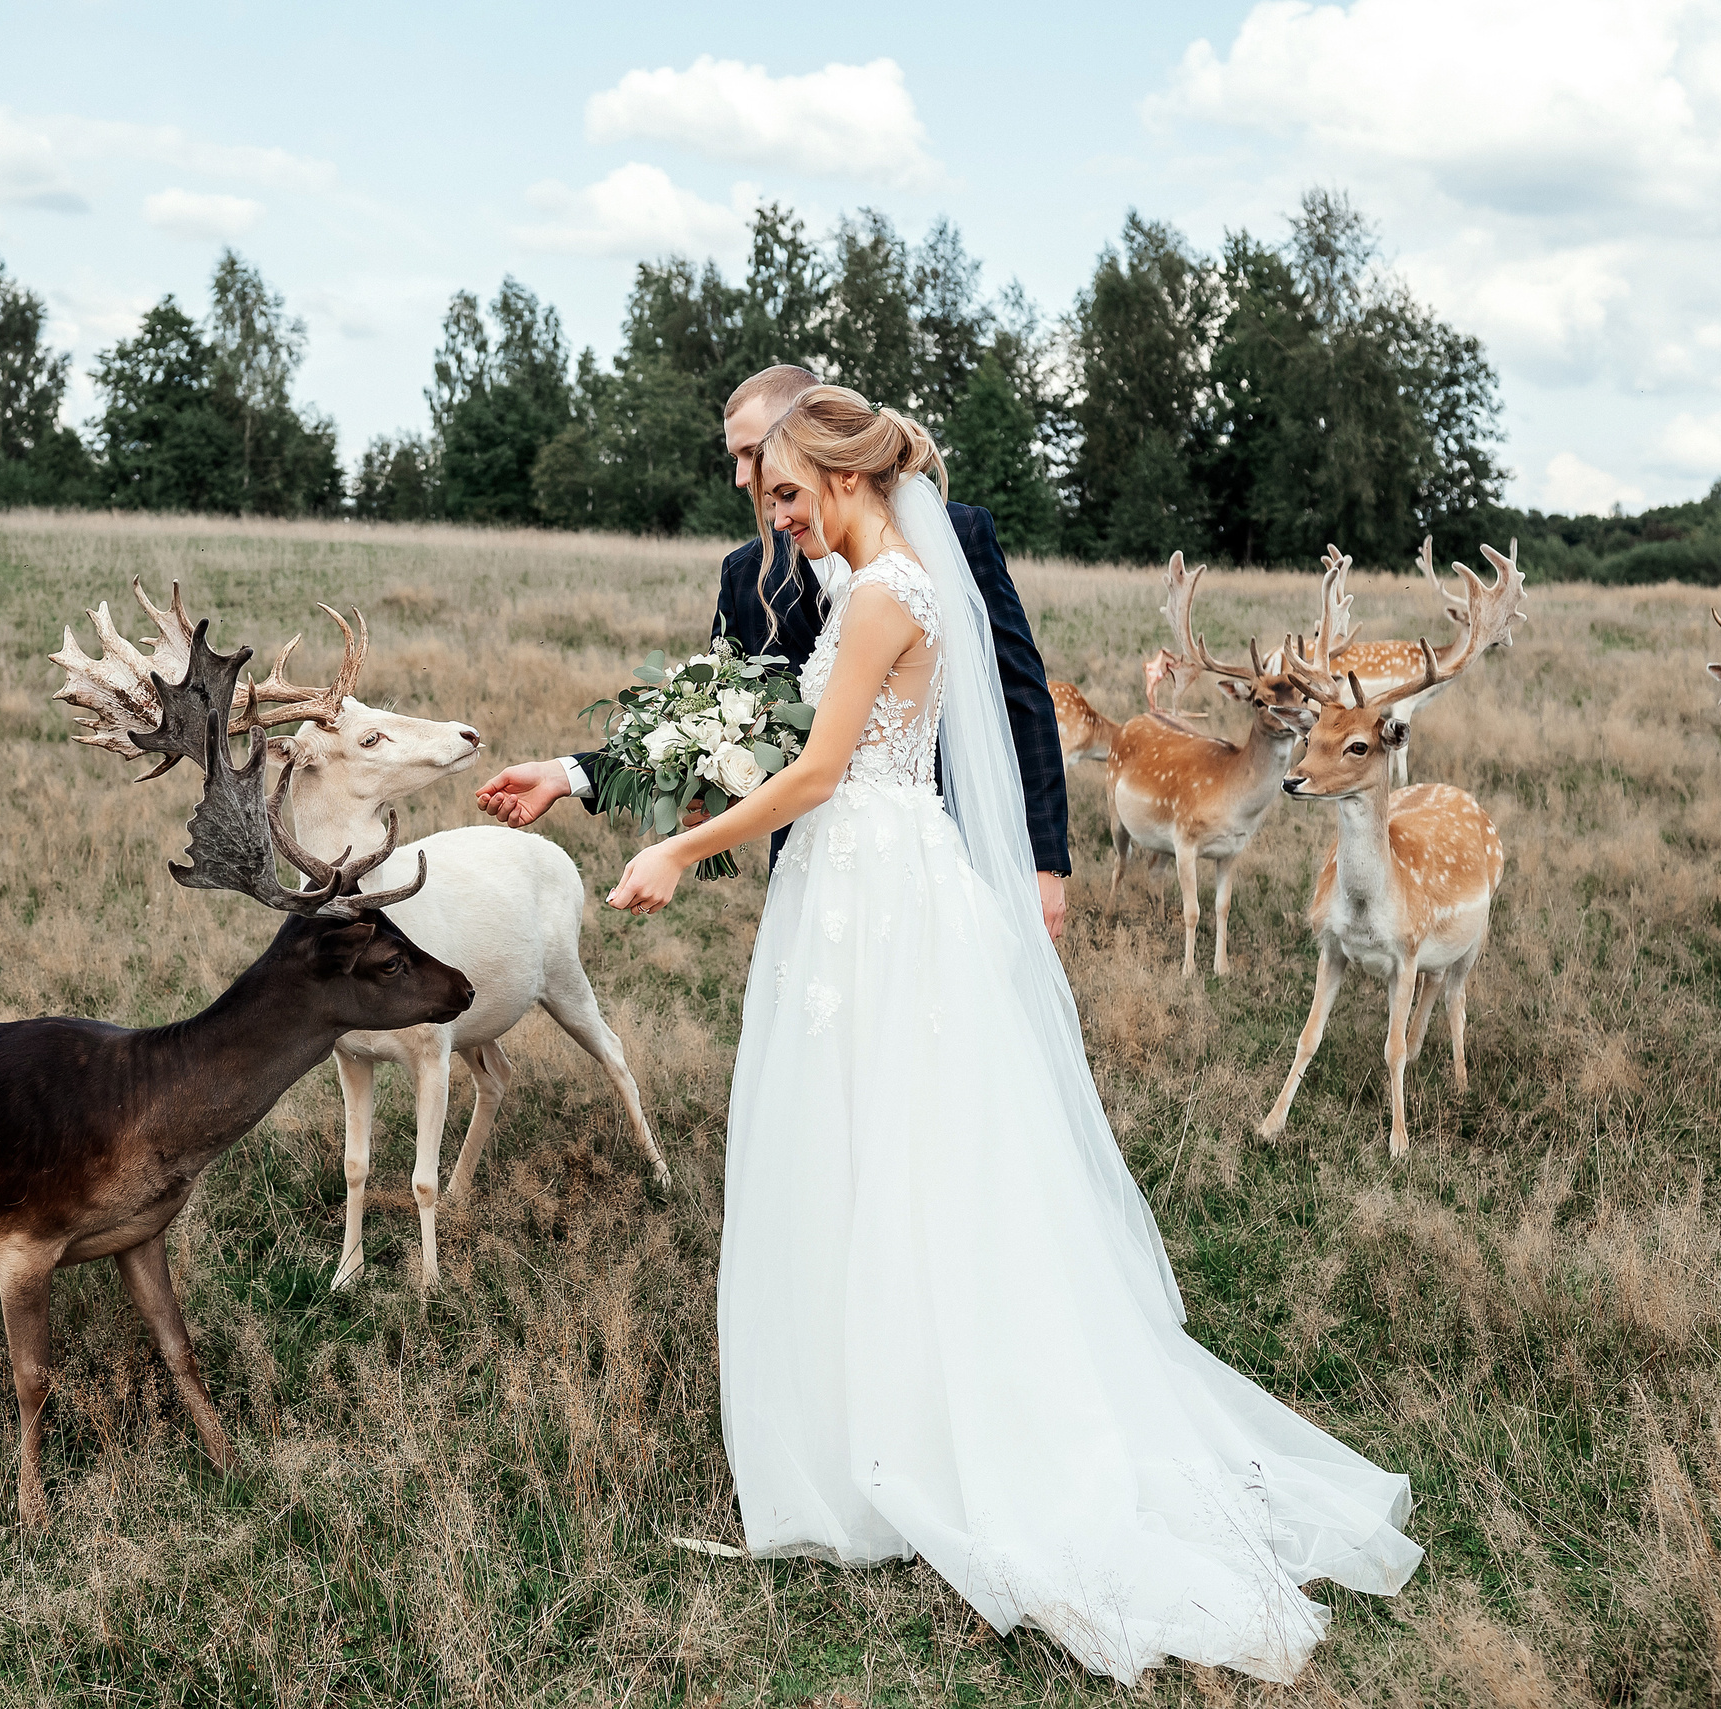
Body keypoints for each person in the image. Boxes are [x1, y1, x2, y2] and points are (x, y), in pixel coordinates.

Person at [604, 386, 1422, 1685]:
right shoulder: (900, 581)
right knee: (887, 1142)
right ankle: (878, 1411)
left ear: (845, 478)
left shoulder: (884, 599)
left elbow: (819, 773)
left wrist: (677, 844)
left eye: (794, 496)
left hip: (871, 883)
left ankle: (916, 1434)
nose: (784, 522)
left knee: (896, 1143)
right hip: (870, 882)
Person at [472, 363, 1071, 939]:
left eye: (753, 454)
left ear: (818, 443)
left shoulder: (954, 537)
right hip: (818, 860)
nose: (741, 479)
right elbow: (706, 725)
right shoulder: (743, 574)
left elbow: (1018, 691)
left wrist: (1043, 863)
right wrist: (570, 774)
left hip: (941, 841)